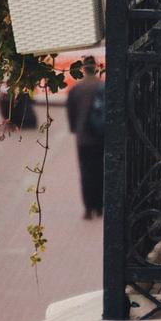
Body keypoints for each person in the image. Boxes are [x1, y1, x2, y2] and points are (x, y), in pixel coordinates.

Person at [66, 72, 107, 219]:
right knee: (101, 171)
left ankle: (89, 207)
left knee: (86, 173)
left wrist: (74, 129)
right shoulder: (103, 87)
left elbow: (71, 114)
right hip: (101, 137)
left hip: (83, 139)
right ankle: (100, 206)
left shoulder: (76, 89)